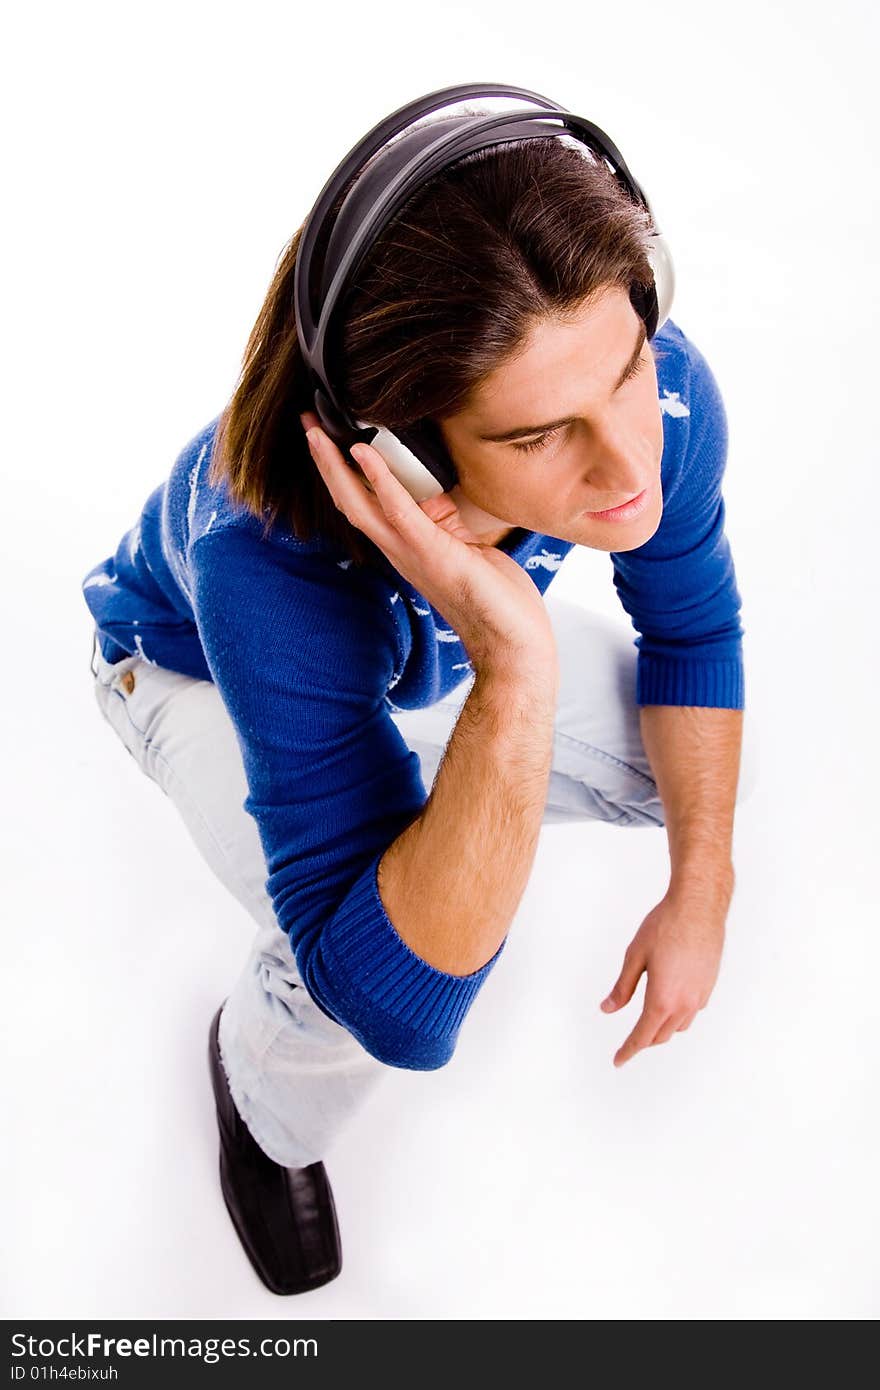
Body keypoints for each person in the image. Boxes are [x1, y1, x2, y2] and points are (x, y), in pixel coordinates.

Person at [82, 116, 755, 1296]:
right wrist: (515, 667)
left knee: (667, 771)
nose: (629, 468)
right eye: (545, 435)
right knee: (338, 973)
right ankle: (260, 1098)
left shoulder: (658, 399)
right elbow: (405, 1014)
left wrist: (702, 888)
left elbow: (691, 632)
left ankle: (395, 818)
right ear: (405, 457)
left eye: (630, 367)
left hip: (410, 664)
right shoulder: (267, 564)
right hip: (188, 671)